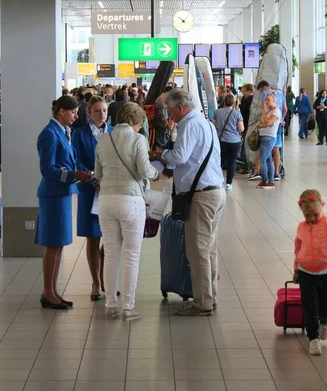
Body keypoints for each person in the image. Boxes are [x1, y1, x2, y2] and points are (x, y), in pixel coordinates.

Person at [155, 89, 225, 316]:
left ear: (180, 108)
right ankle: (210, 297)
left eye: (169, 109)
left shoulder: (189, 125)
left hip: (201, 196)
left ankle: (202, 302)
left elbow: (180, 157)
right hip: (214, 190)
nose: (168, 114)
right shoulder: (206, 124)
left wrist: (161, 155)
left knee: (197, 251)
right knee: (209, 249)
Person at [95, 102, 161, 321]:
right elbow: (144, 169)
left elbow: (98, 173)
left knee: (111, 253)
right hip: (131, 200)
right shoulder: (138, 139)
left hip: (105, 200)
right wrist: (155, 174)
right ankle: (129, 307)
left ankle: (110, 305)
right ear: (136, 121)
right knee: (131, 255)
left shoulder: (103, 139)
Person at [35, 95, 91, 309]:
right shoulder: (49, 134)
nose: (77, 116)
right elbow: (47, 169)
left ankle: (53, 290)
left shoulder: (64, 132)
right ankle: (47, 292)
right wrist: (72, 175)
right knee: (53, 244)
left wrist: (81, 173)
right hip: (52, 195)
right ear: (62, 112)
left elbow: (70, 160)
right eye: (74, 112)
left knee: (58, 245)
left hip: (63, 194)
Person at [293, 189, 327, 356]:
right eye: (307, 215)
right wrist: (296, 268)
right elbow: (298, 248)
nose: (311, 219)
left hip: (325, 274)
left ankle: (325, 322)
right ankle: (313, 339)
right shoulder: (301, 227)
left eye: (315, 214)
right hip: (305, 273)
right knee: (310, 308)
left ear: (322, 206)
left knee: (325, 306)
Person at [72, 96, 113, 301]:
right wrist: (91, 177)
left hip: (111, 189)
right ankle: (95, 283)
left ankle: (108, 279)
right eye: (97, 110)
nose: (101, 114)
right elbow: (76, 159)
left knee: (111, 236)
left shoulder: (114, 132)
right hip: (89, 189)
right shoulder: (79, 134)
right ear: (89, 113)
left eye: (104, 110)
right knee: (93, 235)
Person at [248, 81, 287, 182]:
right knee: (275, 149)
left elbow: (266, 121)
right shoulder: (281, 94)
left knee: (263, 157)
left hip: (270, 131)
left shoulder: (265, 94)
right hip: (277, 126)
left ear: (264, 87)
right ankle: (276, 173)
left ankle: (258, 173)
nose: (265, 101)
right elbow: (285, 109)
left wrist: (265, 115)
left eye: (261, 90)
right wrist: (280, 120)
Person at [213, 94, 244, 192]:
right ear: (233, 102)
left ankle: (216, 181)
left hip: (221, 140)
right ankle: (229, 183)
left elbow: (213, 126)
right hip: (234, 141)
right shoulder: (237, 114)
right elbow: (241, 128)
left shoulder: (217, 112)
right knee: (232, 161)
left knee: (219, 161)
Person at [257, 92, 281, 189]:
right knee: (267, 160)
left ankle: (265, 179)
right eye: (265, 99)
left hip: (269, 137)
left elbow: (267, 122)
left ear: (274, 100)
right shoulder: (268, 111)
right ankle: (270, 181)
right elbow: (259, 124)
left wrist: (263, 112)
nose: (266, 102)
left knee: (262, 160)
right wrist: (264, 123)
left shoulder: (276, 111)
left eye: (268, 100)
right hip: (263, 135)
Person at [239, 84, 254, 174]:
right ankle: (246, 165)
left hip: (247, 124)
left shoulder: (250, 100)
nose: (243, 93)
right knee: (244, 145)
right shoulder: (245, 99)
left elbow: (244, 110)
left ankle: (247, 166)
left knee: (245, 146)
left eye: (244, 91)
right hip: (245, 124)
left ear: (249, 91)